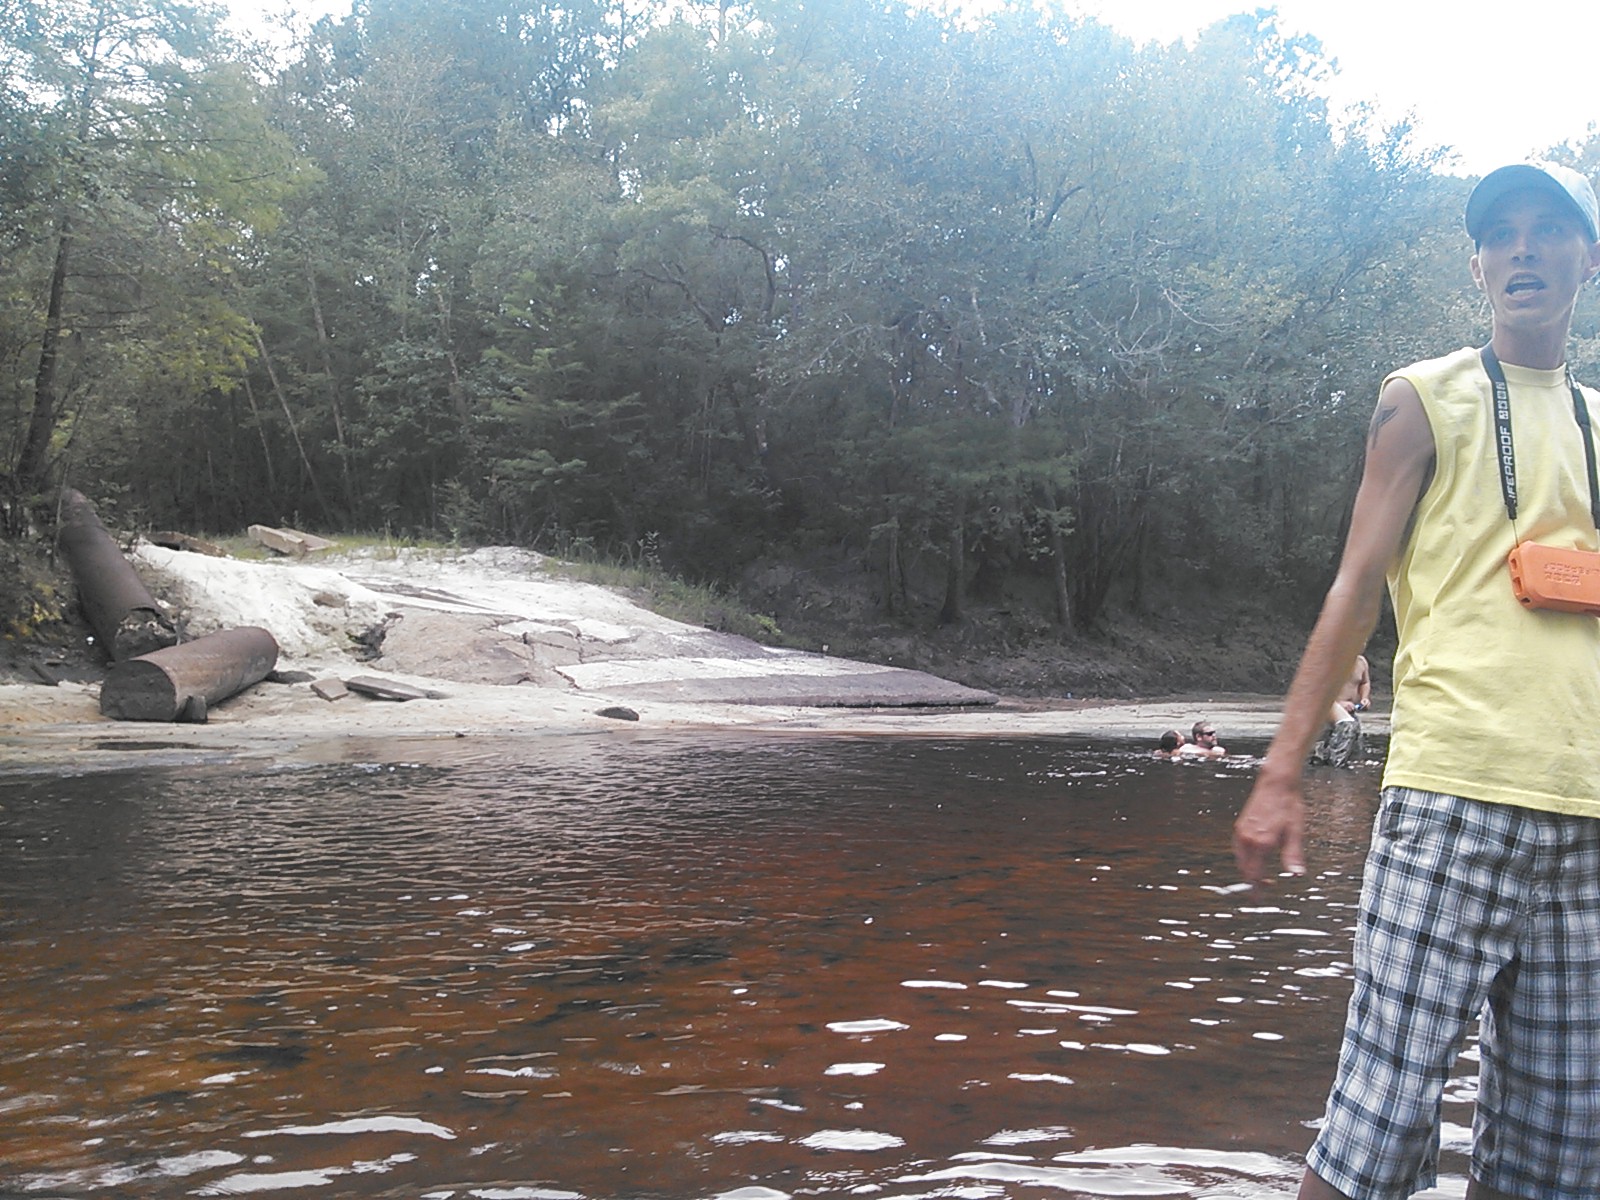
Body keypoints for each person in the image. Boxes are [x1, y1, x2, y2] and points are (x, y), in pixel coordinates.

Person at [1234, 160, 1600, 1200]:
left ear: (1589, 256)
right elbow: (1355, 588)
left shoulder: (1598, 424)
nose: (1520, 248)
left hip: (1588, 822)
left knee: (1562, 1162)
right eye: (1499, 234)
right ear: (1480, 263)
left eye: (1546, 229)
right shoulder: (1421, 399)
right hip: (1451, 801)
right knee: (1378, 1129)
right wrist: (1279, 771)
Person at [1310, 654, 1369, 767]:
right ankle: (1333, 767)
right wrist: (1338, 702)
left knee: (1354, 745)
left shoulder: (1361, 661)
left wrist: (1364, 698)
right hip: (1328, 706)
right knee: (1347, 727)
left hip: (1350, 710)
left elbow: (1364, 683)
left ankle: (1338, 764)